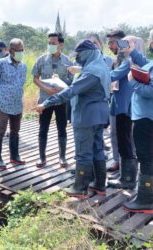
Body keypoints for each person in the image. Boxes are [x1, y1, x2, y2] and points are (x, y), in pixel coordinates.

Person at [36, 40, 110, 199]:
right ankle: (99, 185)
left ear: (88, 53)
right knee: (97, 149)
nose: (78, 59)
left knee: (83, 152)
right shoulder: (100, 65)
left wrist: (47, 103)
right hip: (99, 114)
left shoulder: (91, 73)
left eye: (80, 55)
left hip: (87, 115)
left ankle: (80, 188)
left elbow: (72, 91)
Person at [32, 32, 74, 168]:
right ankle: (41, 157)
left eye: (53, 43)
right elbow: (35, 78)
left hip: (61, 101)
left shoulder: (68, 61)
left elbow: (72, 81)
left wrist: (62, 84)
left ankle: (62, 157)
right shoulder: (42, 60)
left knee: (62, 128)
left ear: (61, 45)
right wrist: (46, 89)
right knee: (43, 128)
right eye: (49, 43)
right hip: (45, 100)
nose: (50, 45)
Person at [122, 38, 153, 213]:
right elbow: (147, 63)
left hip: (146, 119)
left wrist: (132, 81)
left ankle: (146, 200)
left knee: (146, 157)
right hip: (145, 116)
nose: (148, 42)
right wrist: (132, 51)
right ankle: (145, 194)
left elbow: (151, 91)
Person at [106, 30, 137, 190]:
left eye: (112, 42)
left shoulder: (127, 60)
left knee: (126, 143)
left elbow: (113, 76)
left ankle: (128, 180)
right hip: (118, 105)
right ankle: (126, 178)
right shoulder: (118, 60)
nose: (110, 46)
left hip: (125, 107)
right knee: (122, 141)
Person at [0, 38, 27, 169]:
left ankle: (14, 156)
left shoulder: (23, 66)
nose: (21, 53)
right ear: (11, 51)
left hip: (17, 104)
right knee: (0, 131)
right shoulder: (1, 63)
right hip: (3, 103)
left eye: (22, 50)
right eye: (18, 50)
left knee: (15, 131)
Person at [88, 33, 120, 171]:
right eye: (90, 43)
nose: (94, 46)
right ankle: (90, 163)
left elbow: (113, 80)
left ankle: (101, 163)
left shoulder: (110, 60)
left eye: (95, 43)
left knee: (102, 130)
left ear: (100, 44)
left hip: (105, 100)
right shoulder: (84, 60)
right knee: (89, 133)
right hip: (88, 102)